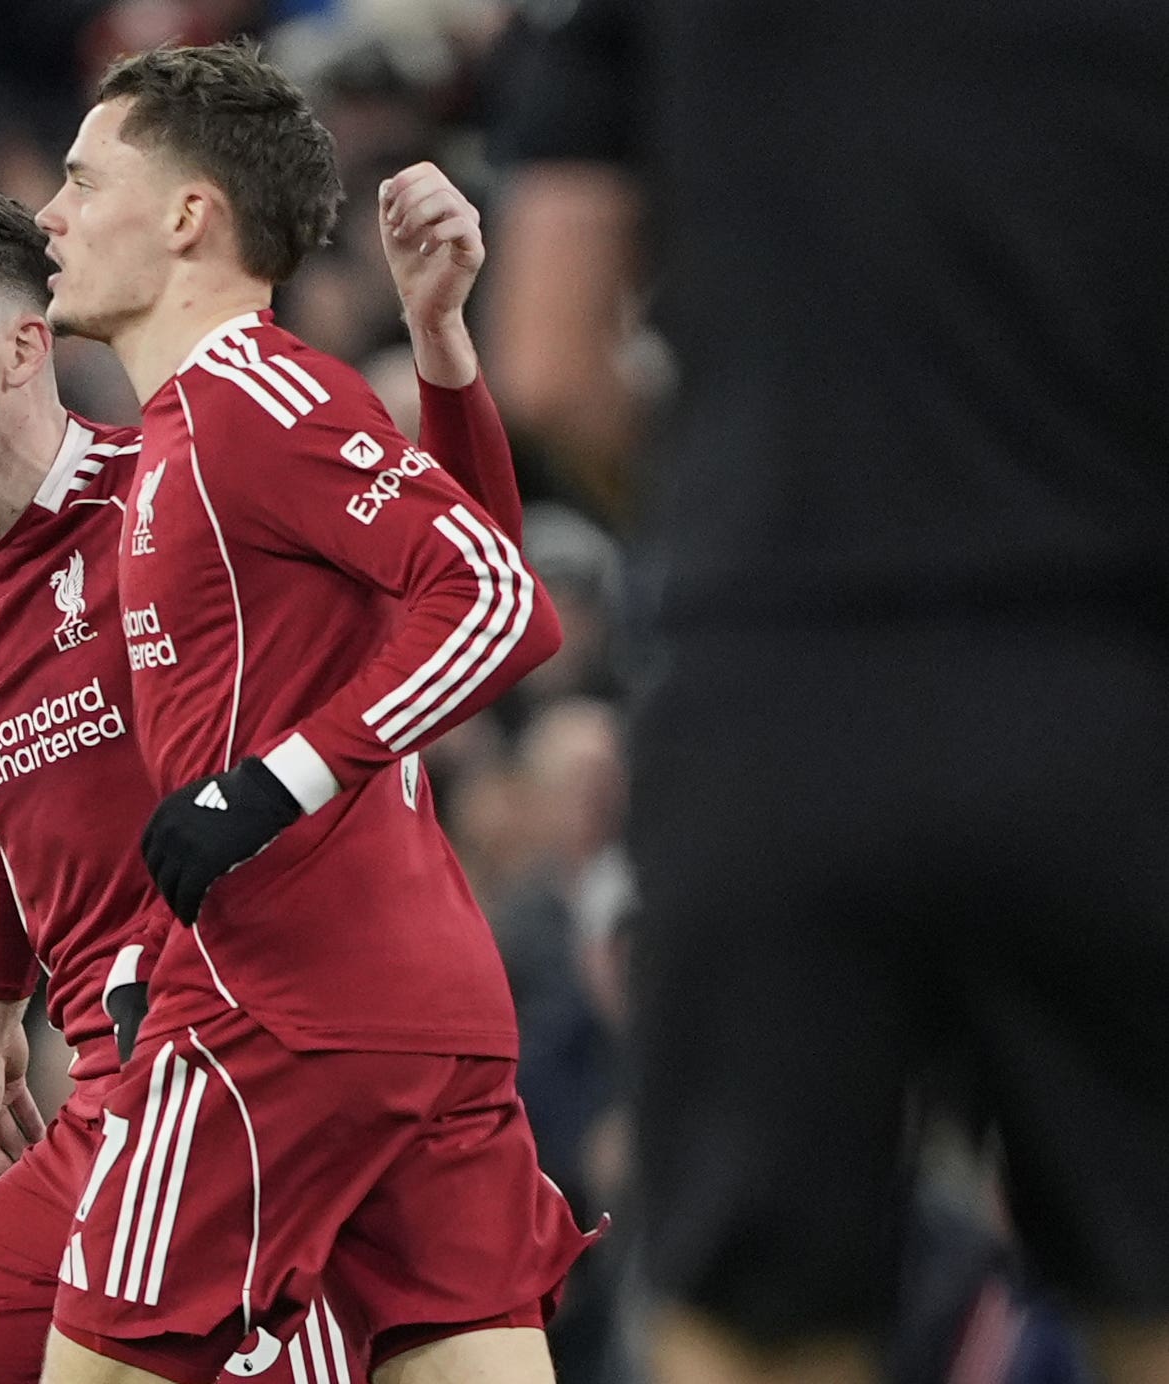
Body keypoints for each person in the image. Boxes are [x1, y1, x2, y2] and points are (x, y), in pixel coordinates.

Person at [489, 2, 1169, 1383]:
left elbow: (553, 362)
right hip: (1104, 685)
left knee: (757, 1329)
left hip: (776, 688)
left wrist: (729, 533)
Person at [0, 167, 534, 1384]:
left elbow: (470, 563)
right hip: (120, 1087)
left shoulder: (185, 485)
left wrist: (439, 345)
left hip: (242, 1065)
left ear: (22, 349)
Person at [30, 42, 602, 1384]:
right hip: (417, 1006)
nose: (48, 218)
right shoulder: (202, 427)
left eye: (80, 179)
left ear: (189, 215)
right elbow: (465, 572)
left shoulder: (250, 400)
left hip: (281, 1004)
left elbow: (501, 603)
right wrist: (445, 345)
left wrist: (273, 785)